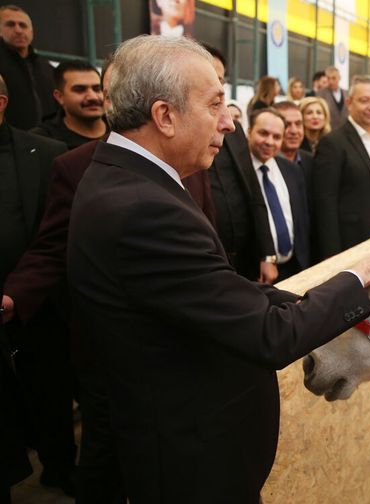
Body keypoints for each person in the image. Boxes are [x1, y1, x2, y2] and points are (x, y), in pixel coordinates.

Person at [67, 35, 370, 503]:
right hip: (192, 466)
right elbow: (270, 335)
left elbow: (215, 287)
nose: (230, 122)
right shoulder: (142, 208)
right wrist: (359, 276)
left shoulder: (130, 180)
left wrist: (327, 301)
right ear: (165, 116)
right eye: (215, 104)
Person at [4, 52, 216, 503]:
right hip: (111, 347)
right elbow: (52, 247)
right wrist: (14, 296)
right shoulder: (75, 166)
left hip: (180, 342)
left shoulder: (192, 158)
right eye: (83, 89)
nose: (92, 97)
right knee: (107, 452)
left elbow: (208, 235)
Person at [0, 73, 70, 497]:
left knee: (50, 394)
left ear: (2, 102)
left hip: (40, 305)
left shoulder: (45, 153)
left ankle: (60, 468)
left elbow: (57, 234)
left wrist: (18, 293)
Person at [203, 44, 278, 284]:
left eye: (221, 80)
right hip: (207, 263)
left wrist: (266, 254)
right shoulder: (180, 137)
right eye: (209, 78)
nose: (217, 87)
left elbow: (255, 194)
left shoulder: (233, 132)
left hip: (246, 260)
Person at [312, 74, 370, 261]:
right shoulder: (333, 143)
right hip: (351, 245)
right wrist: (332, 254)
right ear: (349, 102)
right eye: (364, 100)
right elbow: (325, 203)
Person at [247, 108, 311, 281]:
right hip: (257, 275)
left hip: (296, 268)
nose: (269, 142)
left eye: (276, 137)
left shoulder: (292, 170)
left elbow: (302, 221)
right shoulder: (239, 173)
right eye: (263, 133)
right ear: (249, 132)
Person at [0, 5, 57, 129]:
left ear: (31, 32)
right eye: (10, 25)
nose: (18, 30)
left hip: (47, 138)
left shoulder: (47, 69)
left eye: (23, 25)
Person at [30, 60, 107, 150]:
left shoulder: (119, 128)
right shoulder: (40, 141)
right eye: (80, 90)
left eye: (97, 89)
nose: (92, 97)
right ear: (59, 97)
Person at [274, 100, 314, 195]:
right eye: (287, 125)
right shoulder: (265, 164)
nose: (294, 131)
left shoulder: (312, 161)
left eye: (298, 124)